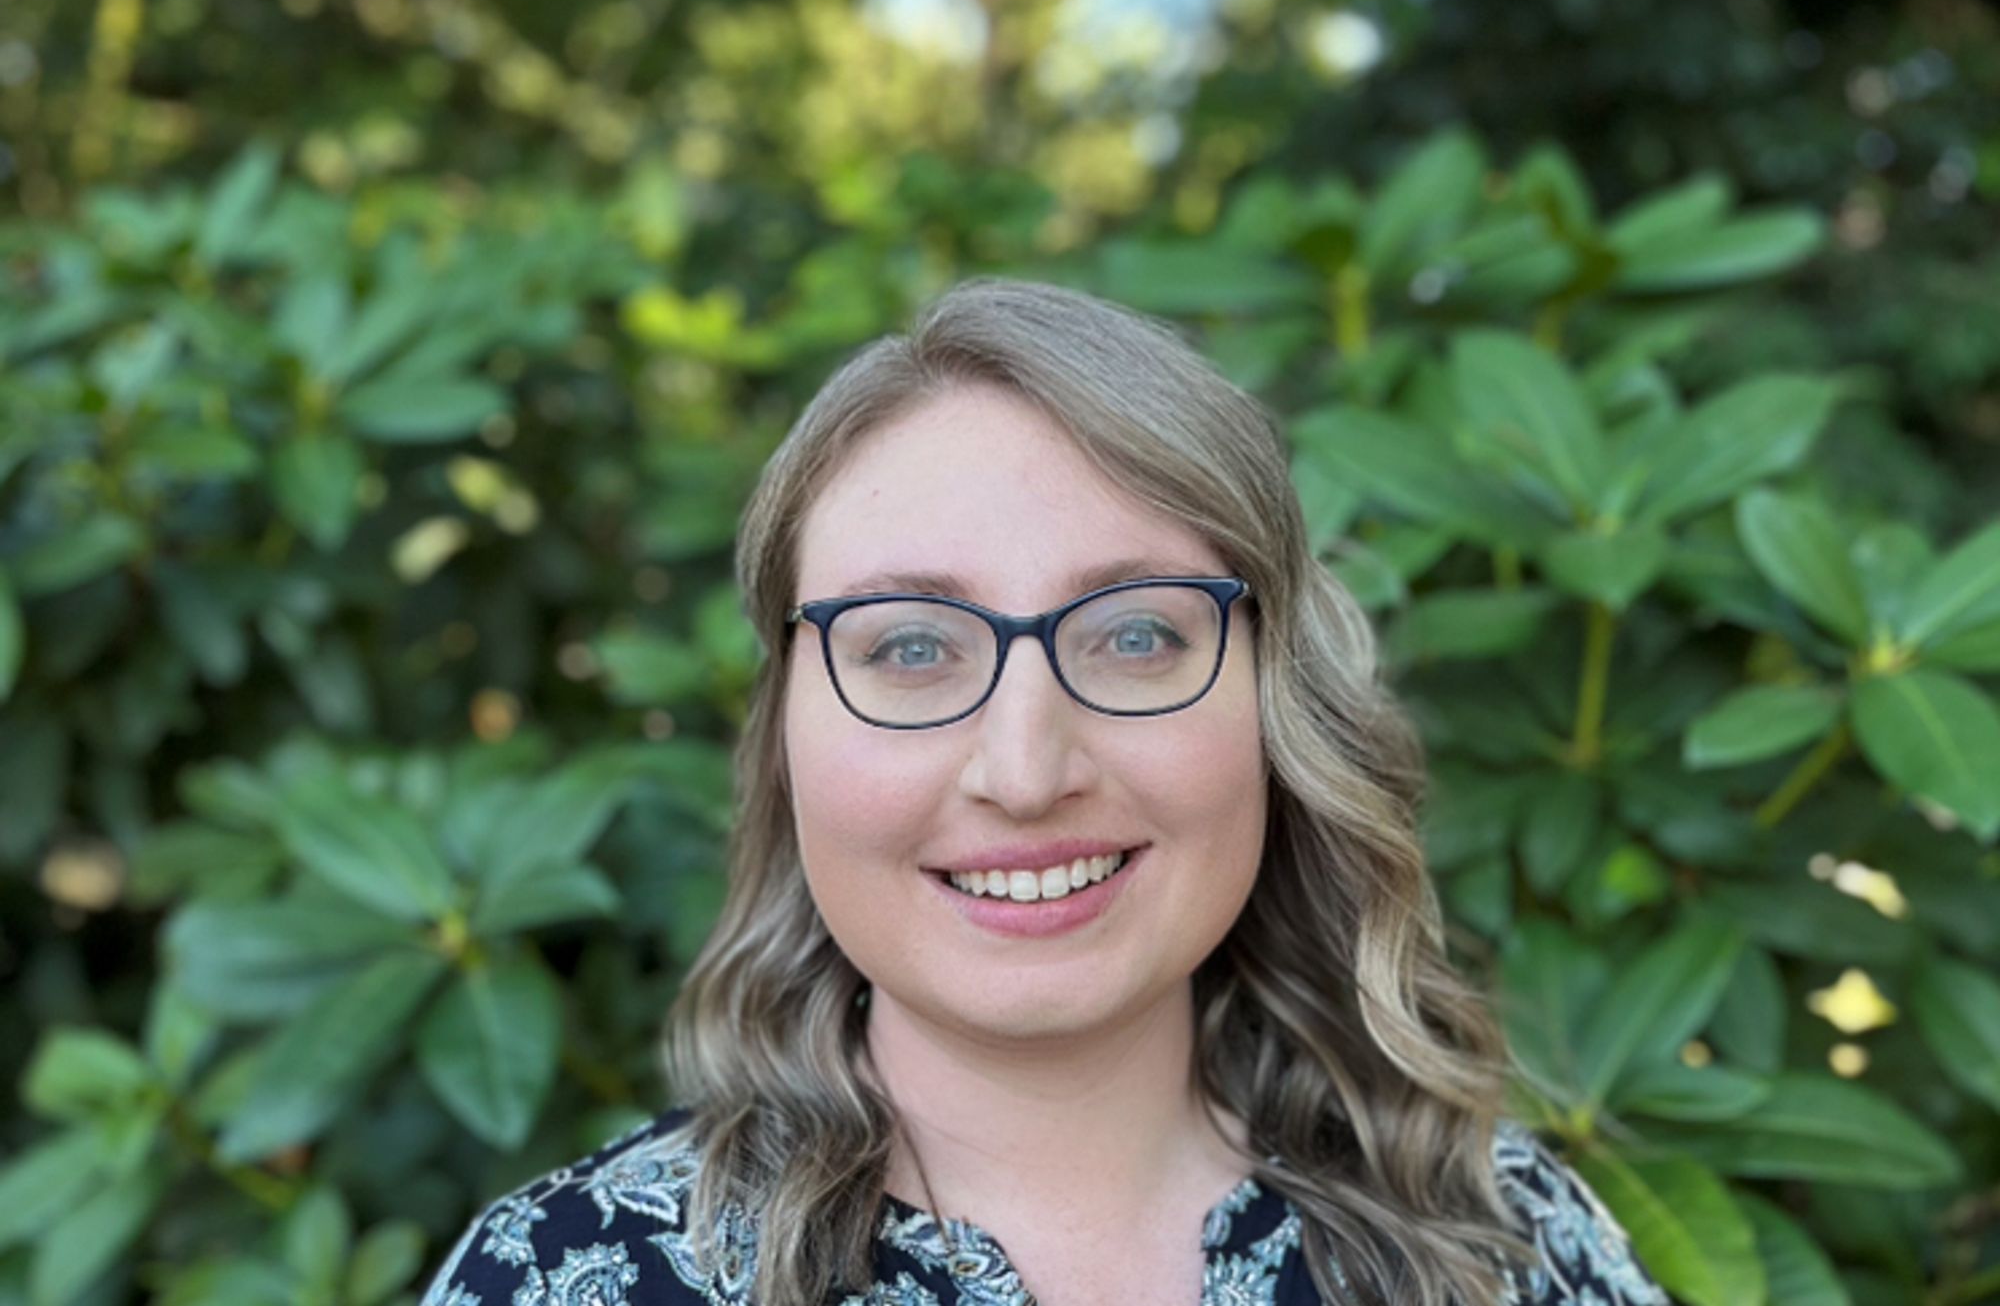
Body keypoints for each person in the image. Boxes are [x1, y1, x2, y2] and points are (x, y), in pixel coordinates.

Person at [420, 278, 1668, 1306]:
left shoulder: (1512, 1243)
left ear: (1277, 707)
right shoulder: (560, 1279)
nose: (1024, 774)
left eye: (1135, 636)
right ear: (785, 732)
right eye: (909, 646)